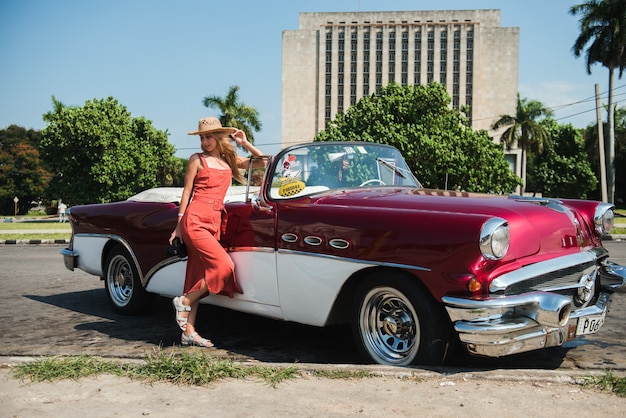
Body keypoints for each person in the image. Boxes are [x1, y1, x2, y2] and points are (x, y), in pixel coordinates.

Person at [169, 116, 264, 348]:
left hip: (214, 222)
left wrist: (244, 142)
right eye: (202, 137)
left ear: (220, 137)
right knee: (224, 267)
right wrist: (178, 226)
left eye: (209, 136)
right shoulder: (197, 160)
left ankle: (188, 332)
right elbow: (186, 193)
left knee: (195, 273)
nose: (205, 141)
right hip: (195, 219)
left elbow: (263, 162)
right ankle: (184, 301)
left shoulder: (229, 160)